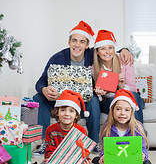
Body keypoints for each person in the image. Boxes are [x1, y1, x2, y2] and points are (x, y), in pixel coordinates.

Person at [33, 20, 134, 155]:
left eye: (82, 42)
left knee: (93, 100)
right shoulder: (57, 58)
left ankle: (94, 143)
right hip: (60, 100)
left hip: (82, 101)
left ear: (87, 45)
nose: (77, 45)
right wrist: (43, 89)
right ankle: (45, 143)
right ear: (69, 42)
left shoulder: (91, 56)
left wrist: (124, 50)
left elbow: (106, 50)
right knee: (37, 97)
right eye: (74, 41)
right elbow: (41, 81)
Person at [38, 89, 97, 164]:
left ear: (76, 115)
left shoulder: (81, 130)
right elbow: (49, 149)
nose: (66, 114)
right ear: (57, 112)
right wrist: (49, 160)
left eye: (71, 111)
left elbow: (83, 151)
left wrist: (84, 161)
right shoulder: (51, 130)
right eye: (63, 110)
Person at [92, 89, 152, 164]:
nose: (122, 113)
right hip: (114, 161)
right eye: (118, 109)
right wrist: (103, 156)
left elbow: (142, 147)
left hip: (130, 161)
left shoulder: (137, 127)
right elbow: (104, 148)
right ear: (112, 111)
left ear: (132, 112)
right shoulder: (107, 127)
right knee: (95, 161)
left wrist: (143, 155)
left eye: (127, 110)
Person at [93, 29, 145, 128]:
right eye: (103, 49)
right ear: (97, 52)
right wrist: (102, 94)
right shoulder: (94, 68)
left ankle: (139, 135)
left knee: (133, 96)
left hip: (130, 96)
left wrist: (122, 87)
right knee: (114, 100)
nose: (107, 52)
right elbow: (101, 99)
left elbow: (133, 89)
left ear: (114, 49)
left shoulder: (125, 60)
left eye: (110, 48)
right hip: (110, 101)